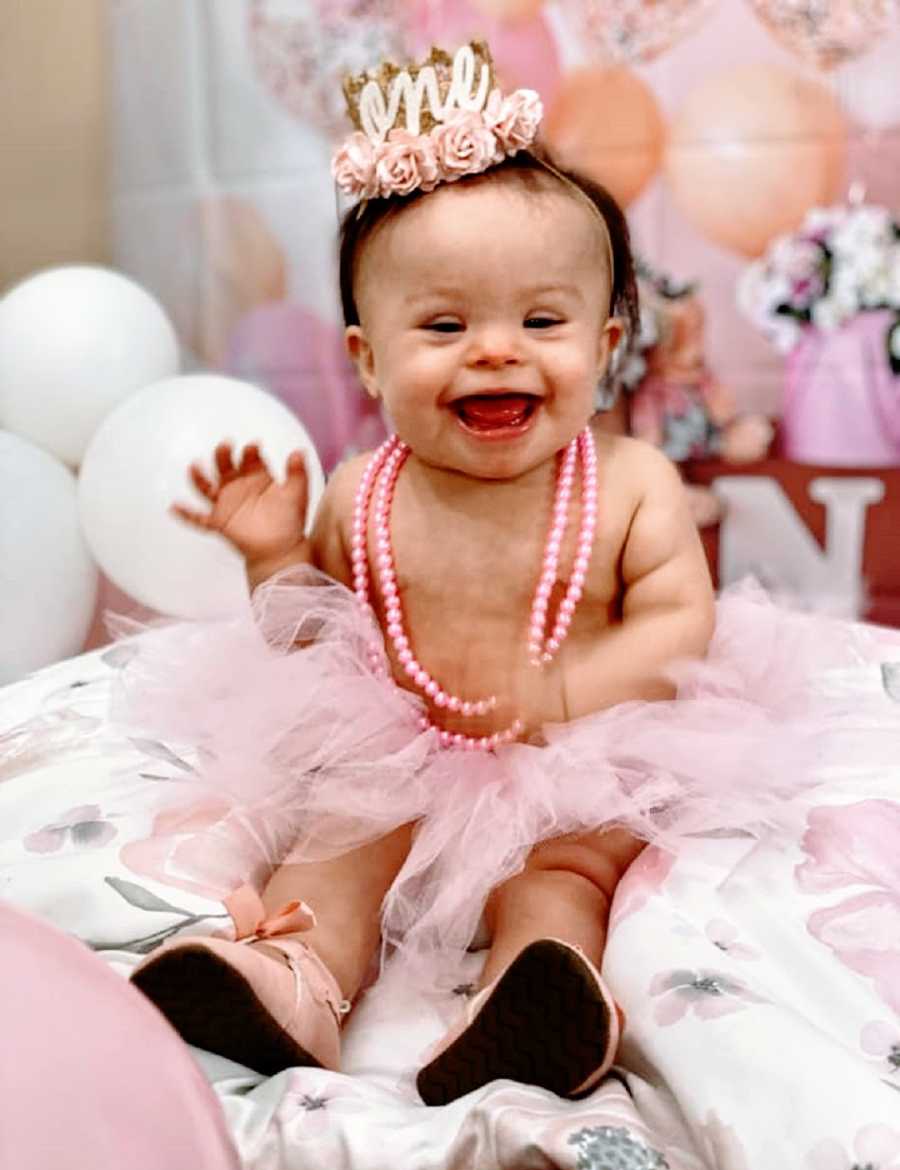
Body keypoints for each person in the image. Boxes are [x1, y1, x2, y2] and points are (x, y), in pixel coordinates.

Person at [122, 43, 888, 1106]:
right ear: (366, 360)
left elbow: (681, 623)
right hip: (402, 747)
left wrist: (566, 694)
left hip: (585, 743)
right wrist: (271, 552)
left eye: (541, 321)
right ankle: (291, 981)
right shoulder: (362, 491)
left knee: (569, 863)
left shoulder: (629, 484)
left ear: (607, 339)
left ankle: (540, 988)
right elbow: (316, 636)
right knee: (334, 846)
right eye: (443, 325)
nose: (495, 351)